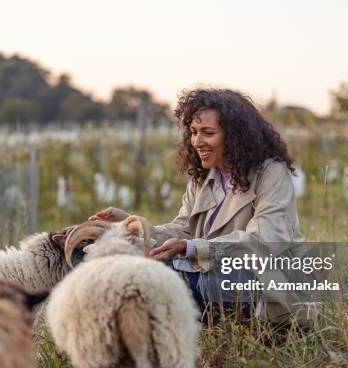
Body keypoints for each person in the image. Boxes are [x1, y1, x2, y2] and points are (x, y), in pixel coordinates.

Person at [90, 88, 308, 326]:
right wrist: (133, 227)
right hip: (218, 277)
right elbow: (184, 229)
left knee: (164, 278)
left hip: (268, 286)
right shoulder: (204, 177)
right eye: (193, 132)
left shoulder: (271, 172)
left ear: (234, 136)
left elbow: (264, 240)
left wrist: (193, 248)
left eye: (208, 133)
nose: (197, 142)